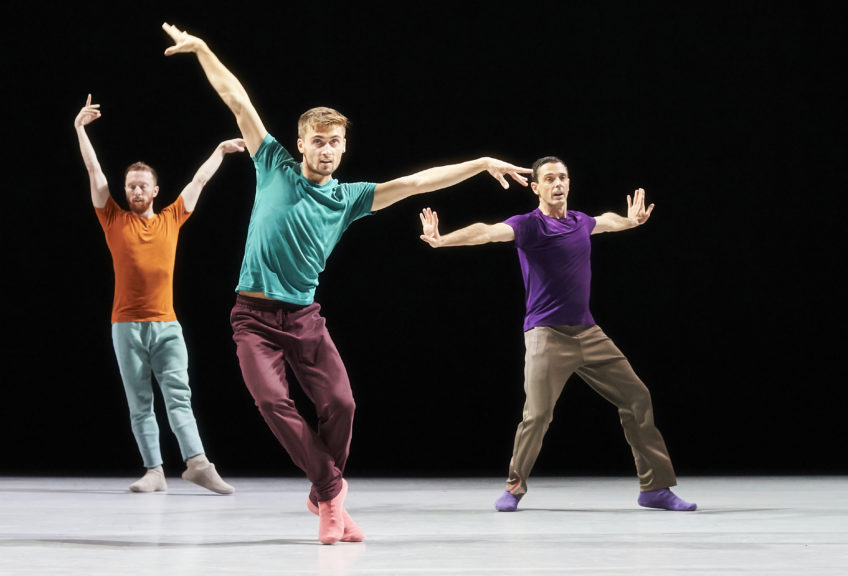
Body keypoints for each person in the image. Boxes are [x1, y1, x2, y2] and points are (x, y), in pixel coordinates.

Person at [160, 22, 532, 544]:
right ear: (301, 144)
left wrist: (481, 163)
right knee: (271, 401)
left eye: (335, 142)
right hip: (253, 316)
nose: (327, 150)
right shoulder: (273, 165)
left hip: (304, 317)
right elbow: (236, 99)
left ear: (343, 146)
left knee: (343, 404)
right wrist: (202, 48)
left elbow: (416, 182)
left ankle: (323, 492)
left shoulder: (349, 197)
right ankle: (332, 492)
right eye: (318, 141)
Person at [418, 156, 697, 512]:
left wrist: (630, 221)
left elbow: (606, 222)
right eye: (549, 178)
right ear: (536, 187)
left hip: (588, 332)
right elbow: (487, 231)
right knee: (537, 415)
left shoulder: (580, 222)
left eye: (562, 177)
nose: (557, 183)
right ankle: (514, 488)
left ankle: (655, 489)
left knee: (637, 397)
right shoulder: (529, 226)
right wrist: (444, 240)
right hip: (546, 335)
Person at [74, 93, 243, 495]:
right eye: (130, 185)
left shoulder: (171, 218)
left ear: (154, 190)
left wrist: (220, 149)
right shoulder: (112, 218)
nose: (134, 190)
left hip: (166, 326)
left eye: (142, 185)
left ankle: (198, 463)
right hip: (125, 327)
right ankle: (154, 471)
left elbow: (199, 180)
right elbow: (96, 174)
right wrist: (79, 129)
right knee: (140, 403)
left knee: (178, 396)